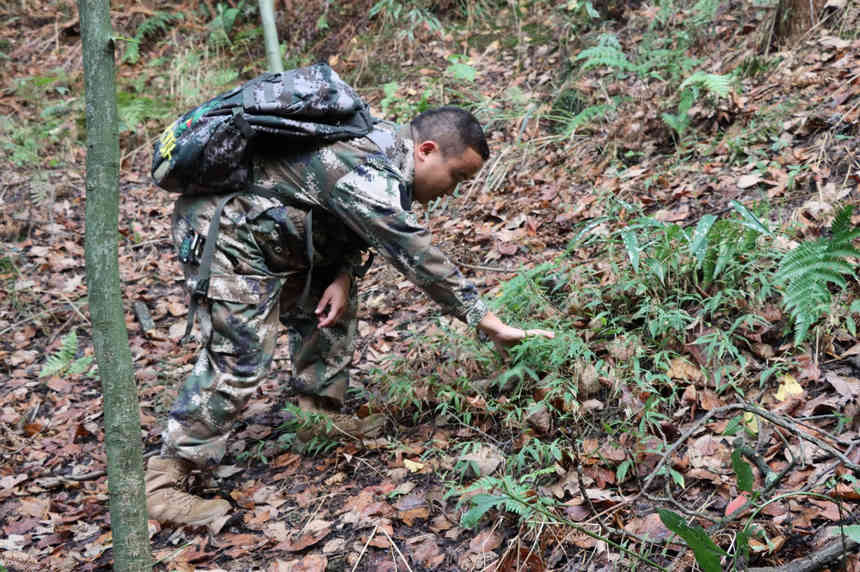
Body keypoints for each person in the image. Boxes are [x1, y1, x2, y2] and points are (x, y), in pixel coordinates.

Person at [145, 105, 554, 526]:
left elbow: (340, 213)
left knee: (330, 300)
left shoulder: (379, 156)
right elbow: (414, 253)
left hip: (278, 233)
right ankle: (164, 483)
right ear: (426, 151)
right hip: (225, 231)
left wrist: (341, 272)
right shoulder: (369, 166)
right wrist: (490, 323)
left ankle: (316, 417)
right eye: (457, 176)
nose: (453, 190)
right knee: (242, 356)